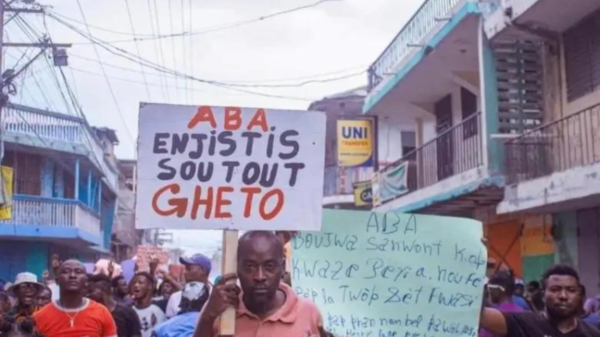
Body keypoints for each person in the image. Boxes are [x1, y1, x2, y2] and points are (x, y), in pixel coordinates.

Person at [193, 231, 325, 337]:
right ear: (237, 268)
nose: (259, 276)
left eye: (269, 266)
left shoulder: (307, 312)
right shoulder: (219, 310)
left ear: (283, 267)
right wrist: (208, 317)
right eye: (250, 266)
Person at [480, 264, 600, 337]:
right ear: (543, 295)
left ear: (579, 295)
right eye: (555, 289)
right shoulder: (524, 323)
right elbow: (477, 314)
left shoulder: (592, 334)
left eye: (571, 290)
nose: (563, 295)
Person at [33, 259, 118, 337]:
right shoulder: (39, 317)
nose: (72, 275)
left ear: (86, 281)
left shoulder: (102, 313)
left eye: (78, 271)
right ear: (57, 280)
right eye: (66, 271)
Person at [165, 254, 211, 318]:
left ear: (203, 270)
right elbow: (170, 325)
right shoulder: (175, 298)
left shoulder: (214, 296)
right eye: (185, 269)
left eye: (189, 269)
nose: (185, 272)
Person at [481, 271, 523, 337]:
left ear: (500, 290)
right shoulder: (521, 311)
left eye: (491, 289)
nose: (489, 292)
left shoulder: (494, 316)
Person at [130, 272, 166, 337]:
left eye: (140, 283)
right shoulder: (128, 311)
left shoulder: (159, 308)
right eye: (134, 283)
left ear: (149, 286)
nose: (136, 285)